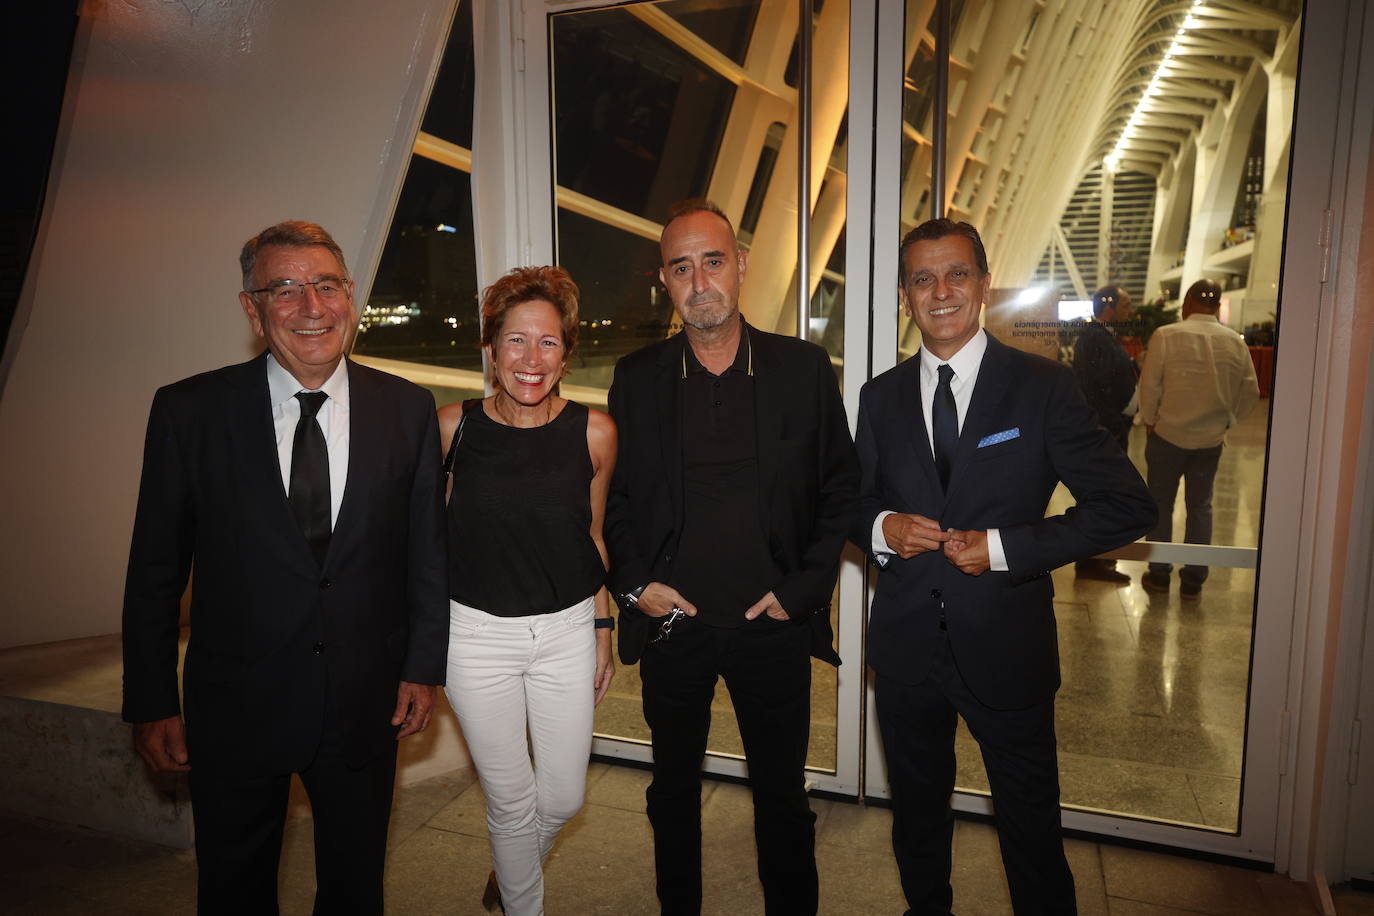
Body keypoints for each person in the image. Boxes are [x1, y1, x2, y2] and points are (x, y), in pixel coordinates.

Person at [121, 221, 448, 914]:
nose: (311, 306)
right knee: (234, 889)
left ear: (350, 296)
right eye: (285, 288)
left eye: (326, 284)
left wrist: (423, 666)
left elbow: (426, 551)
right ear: (251, 307)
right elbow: (154, 567)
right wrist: (150, 701)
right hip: (235, 702)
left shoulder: (408, 408)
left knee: (355, 887)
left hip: (365, 699)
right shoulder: (189, 411)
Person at [853, 218, 1155, 915]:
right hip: (905, 651)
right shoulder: (881, 397)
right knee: (918, 819)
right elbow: (850, 501)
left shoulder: (1043, 388)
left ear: (984, 285)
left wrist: (1002, 549)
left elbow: (1126, 506)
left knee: (1030, 829)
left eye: (957, 274)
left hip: (1006, 646)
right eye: (923, 279)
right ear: (905, 295)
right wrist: (882, 527)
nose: (941, 292)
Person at [604, 199, 858, 915]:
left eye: (713, 261)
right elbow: (611, 499)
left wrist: (802, 590)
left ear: (741, 265)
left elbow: (840, 488)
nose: (700, 281)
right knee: (671, 793)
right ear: (665, 280)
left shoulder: (803, 370)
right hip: (673, 626)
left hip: (771, 625)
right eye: (681, 268)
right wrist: (634, 586)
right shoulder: (637, 377)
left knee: (783, 797)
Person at [438, 266, 616, 916]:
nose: (531, 359)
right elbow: (424, 547)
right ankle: (523, 901)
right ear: (489, 348)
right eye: (516, 341)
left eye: (548, 343)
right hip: (475, 638)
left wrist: (602, 629)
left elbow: (591, 539)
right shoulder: (451, 429)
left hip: (566, 629)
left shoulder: (595, 433)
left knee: (564, 797)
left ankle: (513, 869)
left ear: (567, 353)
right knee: (511, 802)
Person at [1138, 279, 1260, 598]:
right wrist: (1227, 421)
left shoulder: (1166, 335)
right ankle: (1194, 578)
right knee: (1201, 506)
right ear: (1218, 307)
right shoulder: (1235, 341)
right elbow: (1251, 392)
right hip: (1210, 441)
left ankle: (1160, 573)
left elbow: (1149, 386)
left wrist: (1150, 421)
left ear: (1187, 303)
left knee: (1161, 504)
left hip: (1168, 435)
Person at [1071, 284, 1140, 583]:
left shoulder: (1101, 336)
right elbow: (1095, 389)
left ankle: (1098, 559)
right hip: (1104, 431)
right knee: (1100, 497)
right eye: (1125, 305)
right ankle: (1091, 562)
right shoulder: (1093, 338)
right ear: (1109, 307)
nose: (1130, 311)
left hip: (1108, 428)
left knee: (1104, 496)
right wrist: (1112, 426)